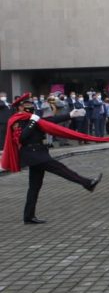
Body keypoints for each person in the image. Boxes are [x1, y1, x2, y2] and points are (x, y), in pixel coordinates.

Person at [3, 94, 101, 224]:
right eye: (27, 105)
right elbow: (22, 138)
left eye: (31, 104)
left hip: (39, 153)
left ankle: (28, 216)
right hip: (32, 153)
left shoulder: (31, 117)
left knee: (35, 186)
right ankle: (87, 183)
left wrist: (70, 115)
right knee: (61, 169)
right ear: (20, 107)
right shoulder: (17, 120)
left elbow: (50, 121)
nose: (30, 106)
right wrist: (33, 121)